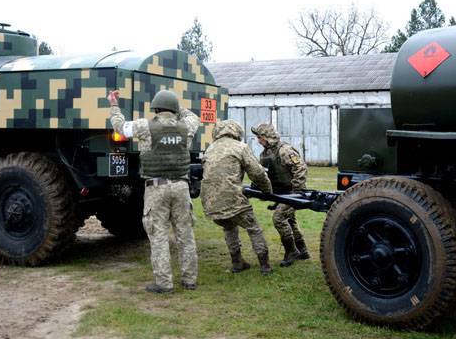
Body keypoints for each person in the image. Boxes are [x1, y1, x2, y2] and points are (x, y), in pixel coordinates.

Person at [108, 89, 200, 293]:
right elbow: (194, 117)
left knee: (158, 235)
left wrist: (114, 104)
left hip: (156, 188)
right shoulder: (187, 126)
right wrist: (178, 107)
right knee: (185, 234)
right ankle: (189, 280)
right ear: (174, 109)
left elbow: (120, 127)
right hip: (181, 187)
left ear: (156, 108)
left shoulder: (144, 126)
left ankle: (164, 283)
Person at [200, 120, 273, 275]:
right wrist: (267, 191)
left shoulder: (210, 149)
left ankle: (237, 262)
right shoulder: (240, 147)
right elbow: (257, 173)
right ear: (236, 132)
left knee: (228, 227)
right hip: (233, 200)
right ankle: (265, 266)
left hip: (210, 203)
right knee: (254, 229)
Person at [251, 123, 310, 267]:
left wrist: (296, 192)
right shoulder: (264, 154)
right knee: (290, 220)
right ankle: (302, 250)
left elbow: (300, 169)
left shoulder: (285, 150)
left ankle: (291, 251)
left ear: (267, 137)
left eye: (260, 137)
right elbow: (265, 175)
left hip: (294, 193)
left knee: (278, 218)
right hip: (282, 193)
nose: (258, 141)